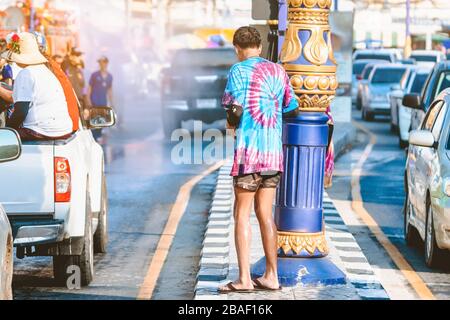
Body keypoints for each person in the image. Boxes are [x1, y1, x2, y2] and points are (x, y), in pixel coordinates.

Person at [219, 27, 298, 293]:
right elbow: (292, 107)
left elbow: (233, 111)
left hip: (248, 154)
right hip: (273, 154)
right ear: (260, 47)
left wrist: (232, 122)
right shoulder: (278, 71)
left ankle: (243, 280)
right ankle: (271, 276)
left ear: (237, 48)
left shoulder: (237, 71)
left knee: (241, 214)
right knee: (265, 214)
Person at [1, 32, 72, 141]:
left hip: (42, 130)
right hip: (63, 129)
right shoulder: (45, 71)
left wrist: (6, 132)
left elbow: (20, 112)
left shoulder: (25, 73)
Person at [87, 56, 113, 141]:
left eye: (103, 62)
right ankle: (94, 138)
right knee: (94, 122)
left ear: (106, 63)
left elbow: (110, 90)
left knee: (102, 122)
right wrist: (88, 99)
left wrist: (111, 102)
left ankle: (98, 137)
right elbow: (89, 88)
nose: (102, 64)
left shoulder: (109, 76)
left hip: (103, 103)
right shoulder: (94, 75)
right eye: (100, 63)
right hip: (94, 102)